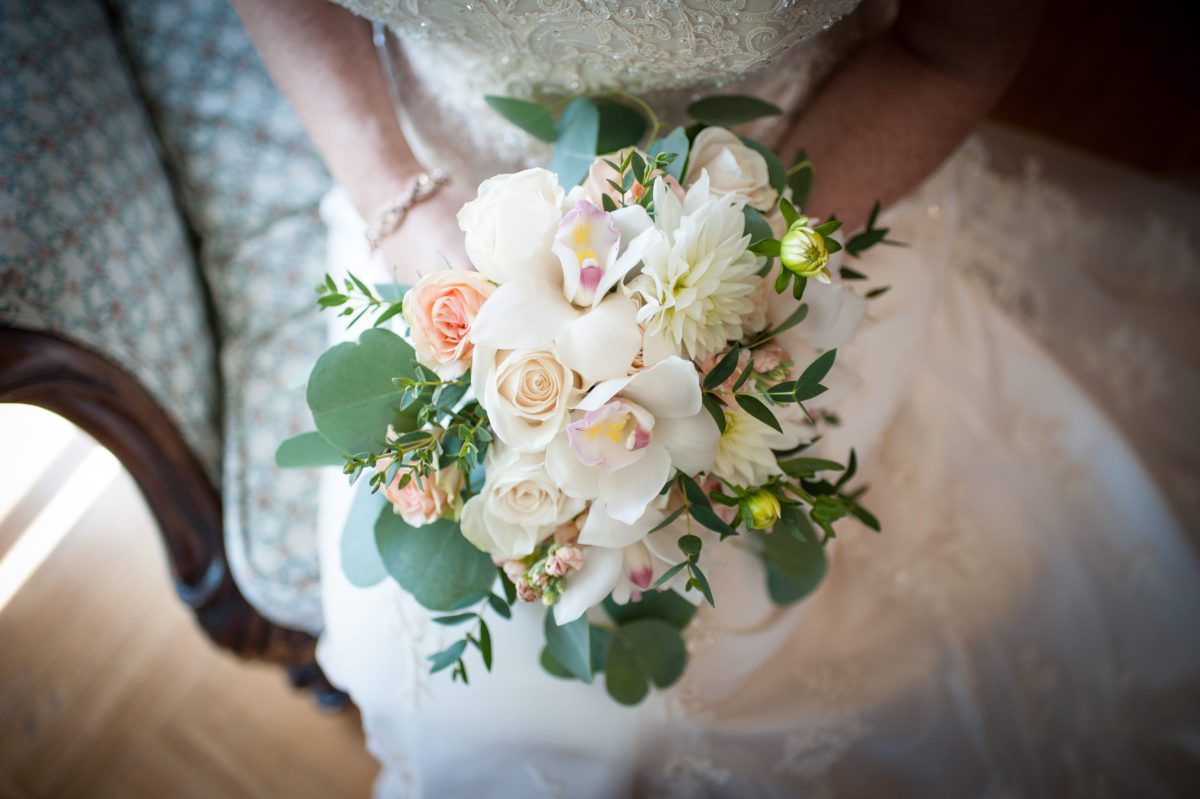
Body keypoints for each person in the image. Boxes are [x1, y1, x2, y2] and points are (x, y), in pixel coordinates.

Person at [234, 1, 1200, 796]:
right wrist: (397, 200)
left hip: (797, 208)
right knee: (478, 701)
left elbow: (952, 48)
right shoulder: (423, 224)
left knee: (789, 666)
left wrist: (754, 276)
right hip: (439, 219)